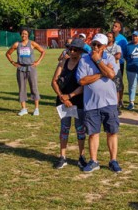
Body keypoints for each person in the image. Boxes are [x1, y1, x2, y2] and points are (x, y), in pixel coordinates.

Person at [77, 33, 122, 173]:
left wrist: (97, 61)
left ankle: (113, 160)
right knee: (93, 133)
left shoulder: (110, 58)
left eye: (98, 45)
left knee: (112, 132)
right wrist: (102, 73)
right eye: (93, 44)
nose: (95, 47)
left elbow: (112, 74)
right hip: (91, 103)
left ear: (104, 46)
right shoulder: (84, 59)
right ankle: (93, 161)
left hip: (109, 102)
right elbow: (82, 81)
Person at [51, 38, 87, 170]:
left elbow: (84, 85)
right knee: (64, 128)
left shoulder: (84, 64)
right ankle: (62, 157)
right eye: (70, 49)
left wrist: (70, 96)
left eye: (75, 50)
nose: (72, 52)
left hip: (78, 101)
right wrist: (62, 97)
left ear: (81, 51)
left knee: (80, 129)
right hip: (63, 102)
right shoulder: (63, 62)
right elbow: (54, 81)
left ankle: (81, 157)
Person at [6, 28, 46, 116]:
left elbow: (43, 51)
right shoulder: (17, 44)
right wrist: (13, 62)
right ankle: (24, 109)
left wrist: (38, 62)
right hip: (20, 68)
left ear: (28, 35)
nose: (23, 35)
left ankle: (36, 109)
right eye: (22, 34)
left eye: (25, 34)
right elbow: (8, 53)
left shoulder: (32, 43)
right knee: (22, 88)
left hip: (31, 68)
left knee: (34, 87)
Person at [105, 32, 123, 113]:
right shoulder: (103, 47)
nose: (108, 38)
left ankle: (116, 106)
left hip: (115, 71)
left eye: (110, 37)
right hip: (105, 71)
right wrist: (112, 56)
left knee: (116, 89)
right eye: (107, 36)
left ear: (113, 39)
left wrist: (107, 57)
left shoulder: (117, 47)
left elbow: (118, 56)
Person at [112, 20, 128, 107]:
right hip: (108, 63)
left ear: (119, 29)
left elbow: (125, 52)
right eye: (113, 26)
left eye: (116, 26)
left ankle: (120, 99)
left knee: (119, 82)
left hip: (119, 63)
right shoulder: (109, 36)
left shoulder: (123, 39)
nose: (113, 27)